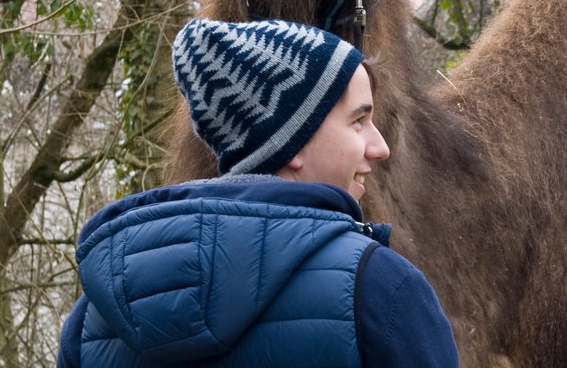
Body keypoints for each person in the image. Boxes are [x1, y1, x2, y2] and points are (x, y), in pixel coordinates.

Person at [57, 18, 459, 368]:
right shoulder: (378, 289)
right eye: (359, 121)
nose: (380, 147)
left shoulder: (98, 316)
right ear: (294, 142)